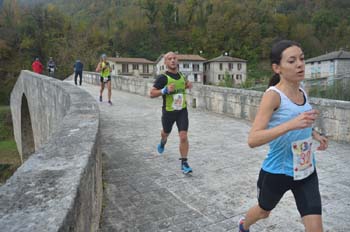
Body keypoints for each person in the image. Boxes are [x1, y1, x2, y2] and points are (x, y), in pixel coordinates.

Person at [238, 40, 329, 232]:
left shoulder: (304, 90)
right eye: (292, 61)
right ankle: (243, 225)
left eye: (302, 59)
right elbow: (253, 139)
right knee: (264, 212)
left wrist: (315, 133)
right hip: (278, 172)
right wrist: (291, 125)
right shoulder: (273, 96)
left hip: (305, 170)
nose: (300, 64)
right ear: (277, 68)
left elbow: (300, 122)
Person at [150, 52, 193, 174]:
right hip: (168, 112)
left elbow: (184, 86)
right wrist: (164, 90)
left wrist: (188, 85)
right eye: (170, 59)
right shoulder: (163, 78)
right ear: (166, 62)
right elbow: (152, 93)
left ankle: (184, 163)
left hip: (182, 111)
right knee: (165, 133)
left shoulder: (181, 75)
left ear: (177, 60)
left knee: (183, 136)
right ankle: (163, 142)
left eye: (174, 58)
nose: (173, 60)